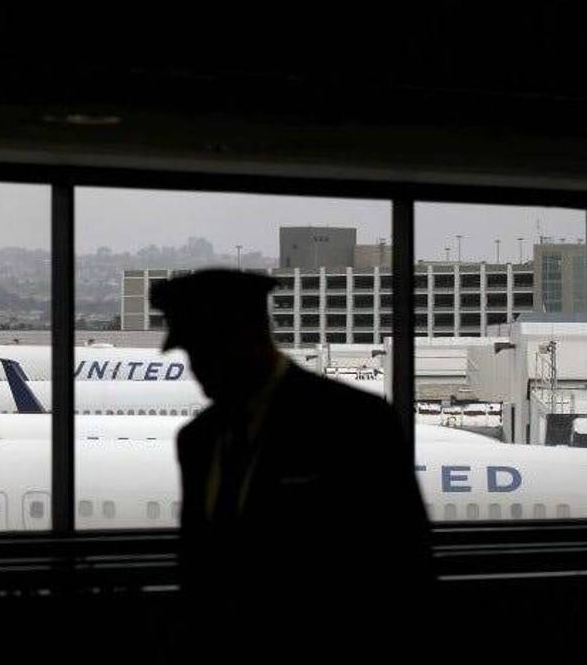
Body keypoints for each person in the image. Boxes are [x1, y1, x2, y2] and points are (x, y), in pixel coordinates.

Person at [150, 269, 432, 655]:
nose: (195, 367)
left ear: (246, 336)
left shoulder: (353, 422)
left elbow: (402, 563)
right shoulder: (197, 440)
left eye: (203, 349)